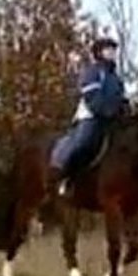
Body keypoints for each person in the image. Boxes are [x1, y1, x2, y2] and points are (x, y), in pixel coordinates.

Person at [49, 37, 130, 197]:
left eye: (113, 49)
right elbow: (92, 97)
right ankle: (65, 176)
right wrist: (108, 112)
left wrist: (125, 108)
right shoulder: (93, 72)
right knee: (84, 143)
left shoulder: (116, 78)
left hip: (112, 119)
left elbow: (120, 98)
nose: (113, 52)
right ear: (100, 53)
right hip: (91, 116)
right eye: (109, 49)